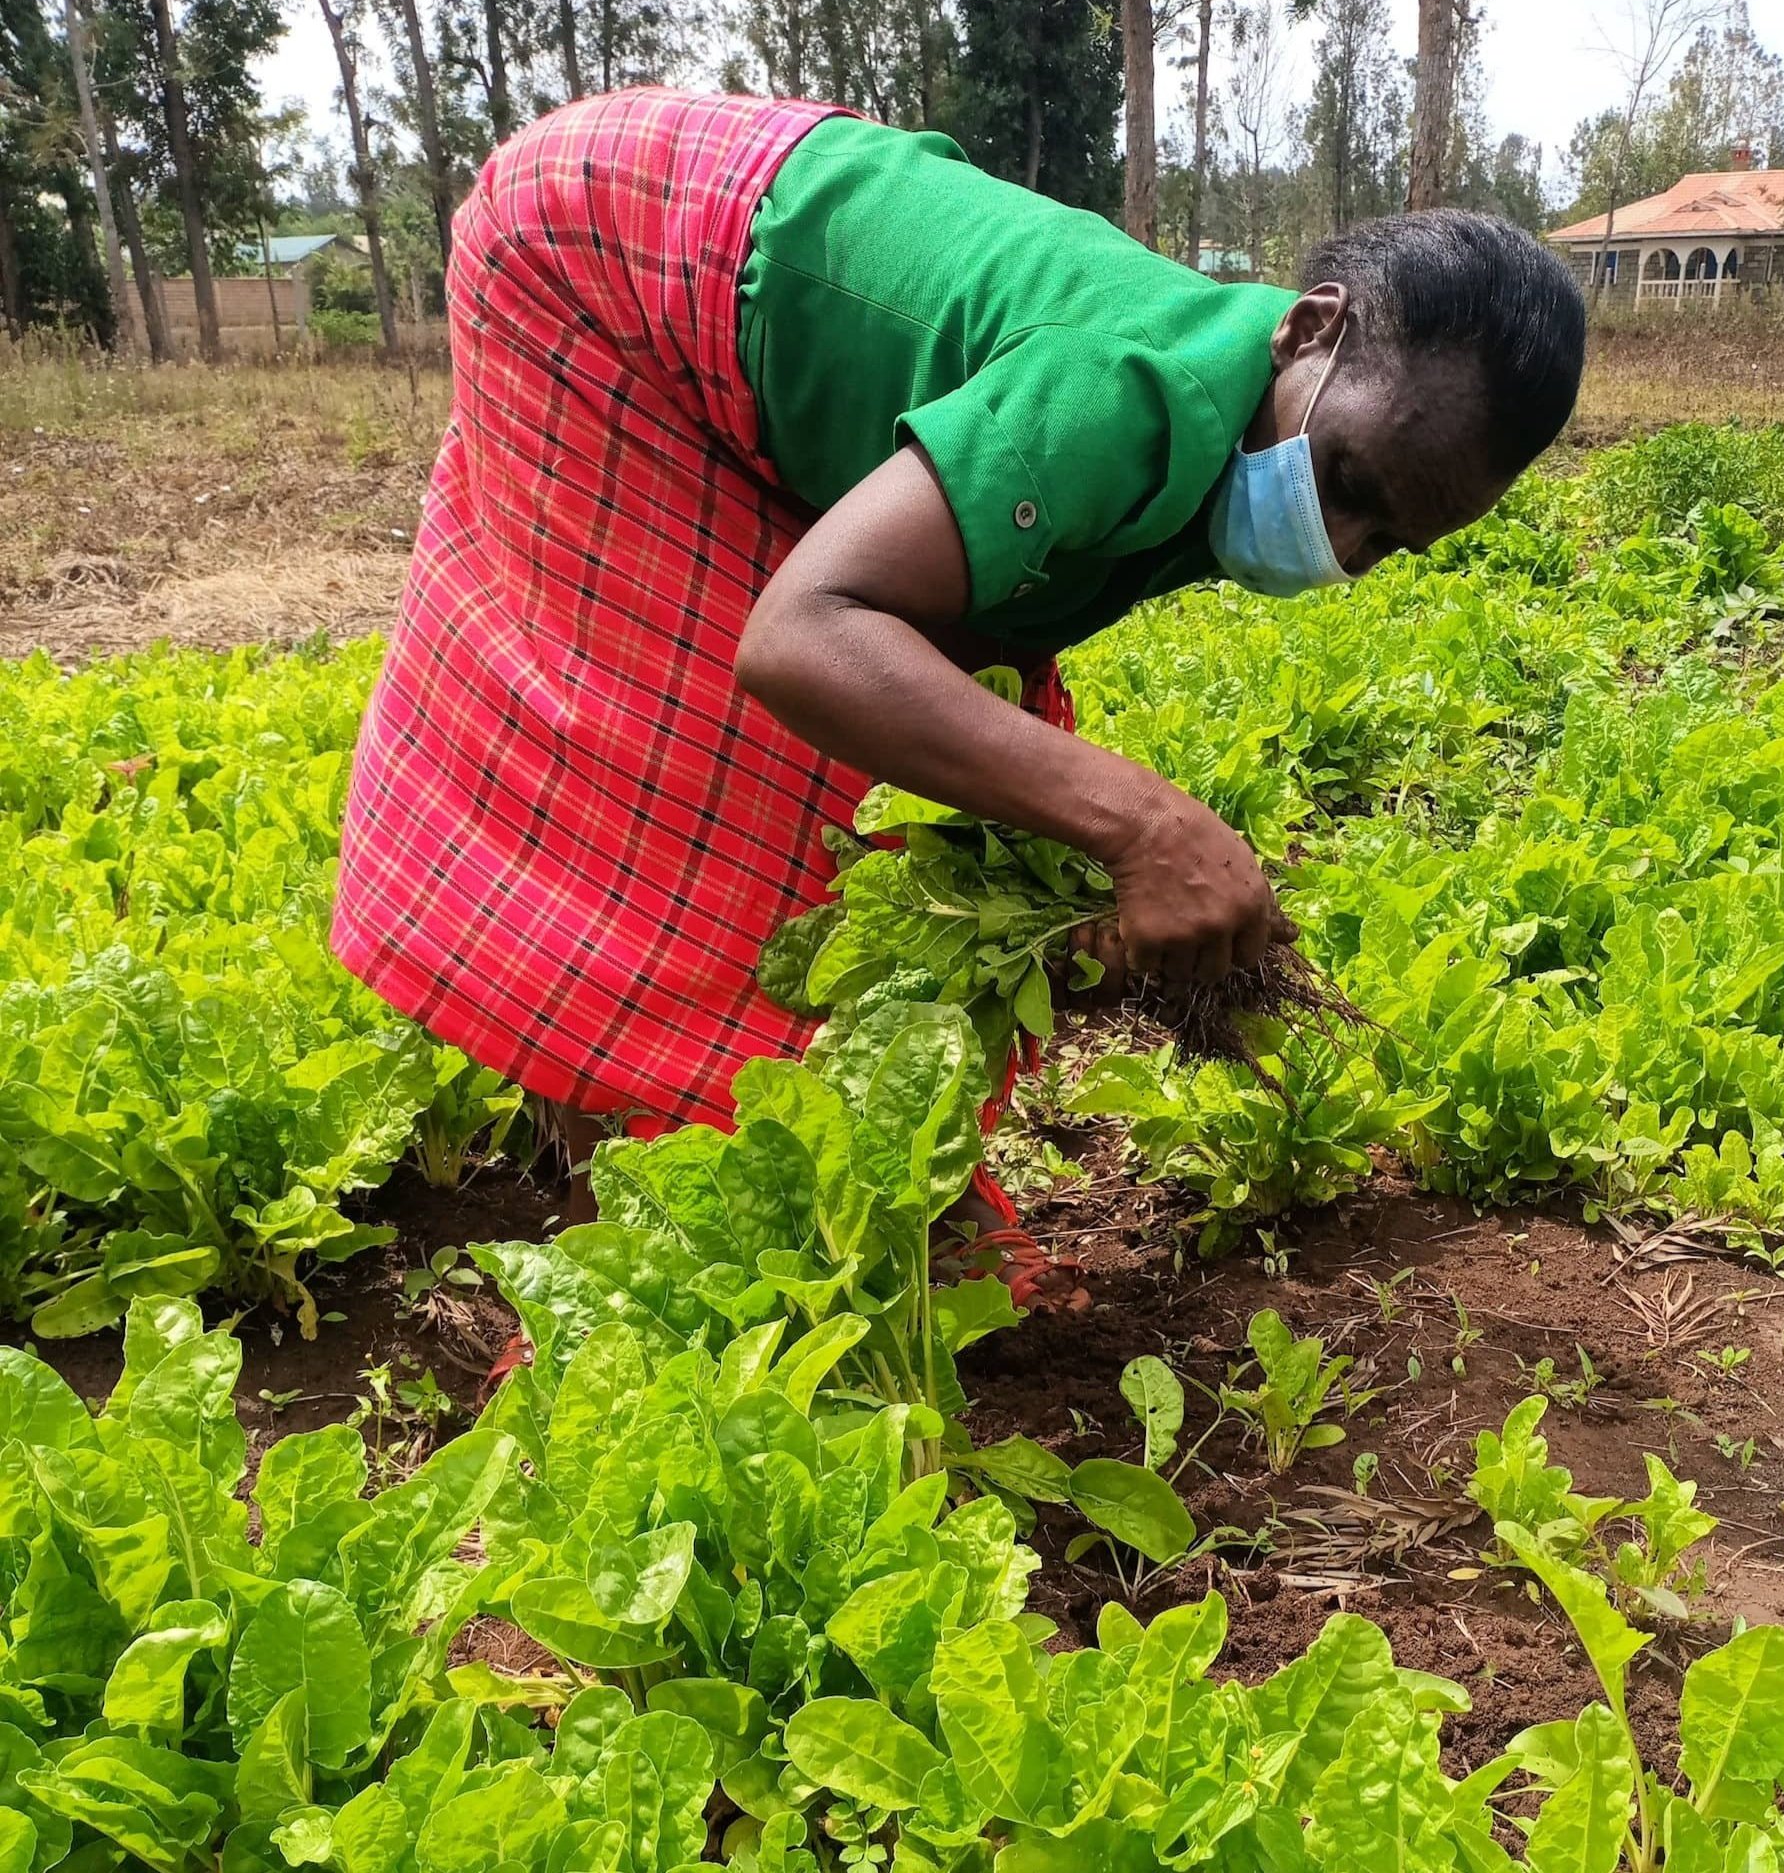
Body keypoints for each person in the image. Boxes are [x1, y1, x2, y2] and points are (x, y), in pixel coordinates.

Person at [332, 87, 1587, 1306]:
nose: (1340, 536)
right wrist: (1146, 827)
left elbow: (972, 627)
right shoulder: (1129, 387)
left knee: (938, 774)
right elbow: (803, 634)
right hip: (603, 259)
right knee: (717, 789)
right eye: (1349, 478)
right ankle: (661, 1211)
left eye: (1387, 538)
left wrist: (1079, 888)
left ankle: (852, 1177)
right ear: (1308, 331)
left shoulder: (1245, 418)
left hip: (715, 250)